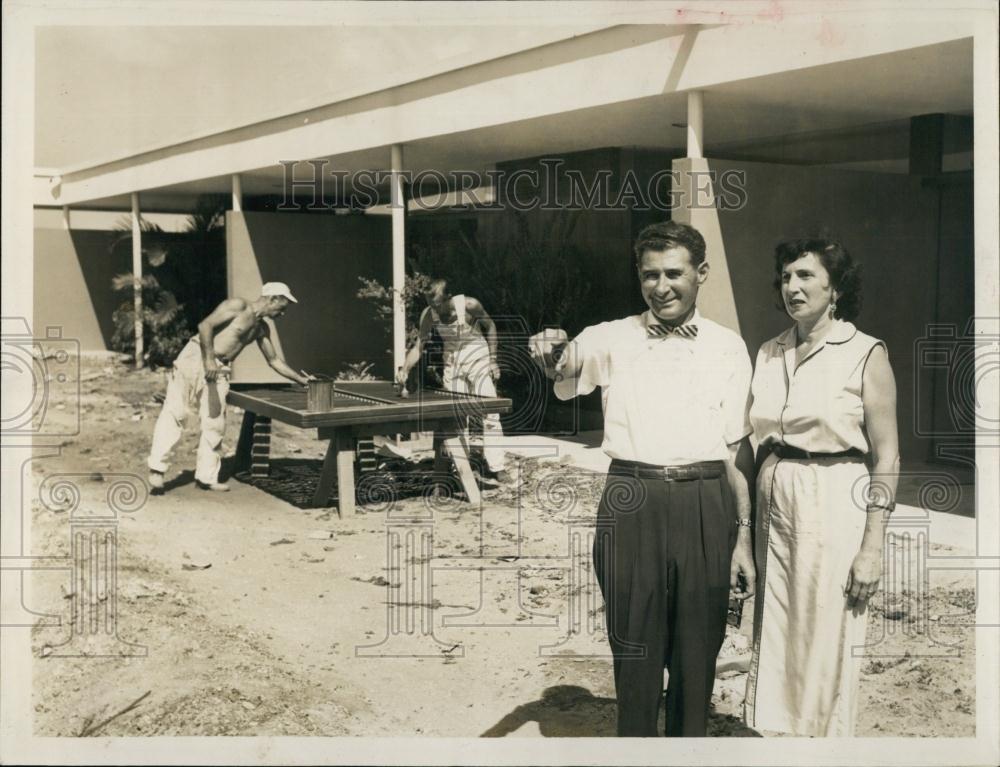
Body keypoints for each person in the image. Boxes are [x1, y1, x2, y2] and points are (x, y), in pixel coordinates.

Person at [529, 221, 756, 737]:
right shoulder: (607, 337)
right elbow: (562, 367)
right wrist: (549, 351)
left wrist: (743, 538)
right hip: (631, 498)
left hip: (706, 499)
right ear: (639, 277)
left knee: (698, 648)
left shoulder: (728, 346)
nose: (661, 286)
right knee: (634, 643)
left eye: (674, 273)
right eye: (650, 275)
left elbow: (735, 451)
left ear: (701, 274)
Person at [743, 238, 899, 737]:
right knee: (779, 628)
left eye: (806, 276)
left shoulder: (865, 351)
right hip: (776, 495)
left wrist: (872, 546)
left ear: (835, 288)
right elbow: (751, 441)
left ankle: (826, 745)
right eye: (787, 277)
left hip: (837, 496)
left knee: (827, 629)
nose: (793, 287)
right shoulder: (770, 352)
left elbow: (889, 456)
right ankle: (778, 740)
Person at [147, 282, 311, 492]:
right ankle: (157, 469)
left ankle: (207, 477)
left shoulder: (262, 328)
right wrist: (208, 360)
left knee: (215, 422)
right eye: (282, 307)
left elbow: (274, 361)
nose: (282, 313)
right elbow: (205, 325)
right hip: (197, 356)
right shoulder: (237, 306)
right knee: (176, 412)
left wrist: (302, 380)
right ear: (273, 299)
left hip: (221, 368)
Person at [396, 278, 512, 483]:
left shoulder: (470, 305)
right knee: (456, 416)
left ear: (448, 298)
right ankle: (463, 467)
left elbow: (491, 326)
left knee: (490, 412)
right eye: (431, 305)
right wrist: (405, 368)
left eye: (437, 304)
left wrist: (493, 360)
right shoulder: (429, 314)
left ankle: (497, 466)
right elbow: (418, 346)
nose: (434, 309)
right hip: (452, 362)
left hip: (477, 355)